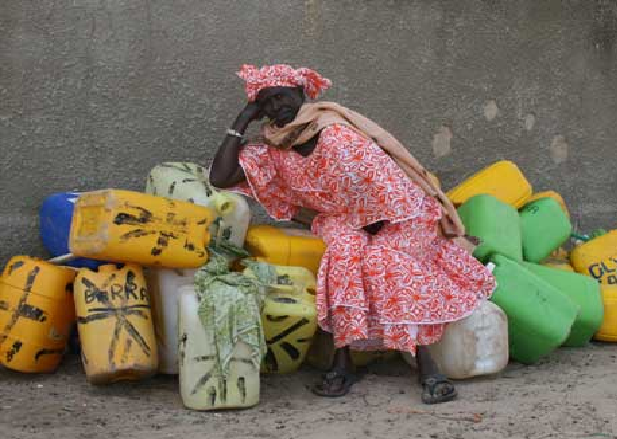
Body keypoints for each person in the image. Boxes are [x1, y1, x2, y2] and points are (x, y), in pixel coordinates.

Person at [209, 64, 496, 404]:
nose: (276, 108)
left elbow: (388, 195)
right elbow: (221, 176)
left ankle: (427, 366)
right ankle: (343, 361)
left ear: (302, 95)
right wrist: (241, 120)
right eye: (265, 102)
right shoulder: (275, 149)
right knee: (343, 256)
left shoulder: (335, 136)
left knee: (381, 261)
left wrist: (365, 230)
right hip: (347, 218)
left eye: (282, 97)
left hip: (403, 215)